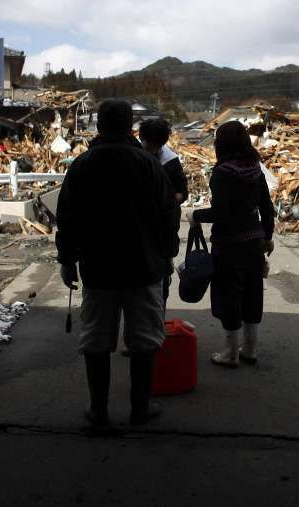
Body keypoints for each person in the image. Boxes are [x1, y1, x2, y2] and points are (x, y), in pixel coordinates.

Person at [56, 99, 177, 427]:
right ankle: (141, 407)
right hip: (144, 267)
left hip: (98, 268)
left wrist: (67, 260)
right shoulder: (149, 165)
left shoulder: (82, 165)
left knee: (96, 339)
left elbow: (66, 217)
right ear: (131, 127)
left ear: (98, 126)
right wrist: (167, 256)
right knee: (144, 340)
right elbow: (169, 215)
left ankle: (98, 410)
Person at [190, 120, 275, 368]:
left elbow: (222, 213)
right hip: (253, 242)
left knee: (229, 295)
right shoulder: (255, 169)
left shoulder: (222, 173)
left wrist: (195, 215)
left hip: (228, 245)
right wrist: (268, 236)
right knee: (252, 293)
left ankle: (230, 353)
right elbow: (266, 208)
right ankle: (249, 350)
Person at [139, 118, 189, 310]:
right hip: (139, 227)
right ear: (141, 138)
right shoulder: (133, 156)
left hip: (164, 228)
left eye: (157, 146)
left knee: (161, 279)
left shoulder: (170, 161)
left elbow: (182, 191)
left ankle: (159, 318)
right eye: (149, 145)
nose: (153, 150)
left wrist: (167, 201)